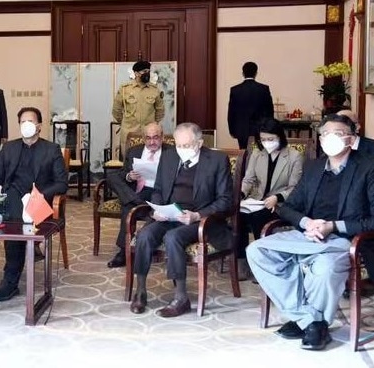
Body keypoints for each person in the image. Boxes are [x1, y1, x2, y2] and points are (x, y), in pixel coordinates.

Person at [246, 114, 374, 351]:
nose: (329, 139)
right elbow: (289, 207)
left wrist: (333, 226)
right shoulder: (314, 167)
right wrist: (307, 223)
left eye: (337, 133)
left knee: (324, 269)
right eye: (325, 134)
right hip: (308, 235)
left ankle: (311, 324)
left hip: (345, 239)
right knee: (256, 250)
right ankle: (311, 320)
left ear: (350, 137)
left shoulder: (369, 167)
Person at [130, 123, 232, 317]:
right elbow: (159, 190)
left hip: (200, 218)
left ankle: (181, 297)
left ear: (200, 142)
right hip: (170, 214)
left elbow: (226, 201)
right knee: (144, 235)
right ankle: (141, 290)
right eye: (178, 145)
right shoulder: (169, 157)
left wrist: (197, 215)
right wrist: (157, 209)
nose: (181, 150)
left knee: (172, 238)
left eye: (187, 146)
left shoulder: (217, 160)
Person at [0, 107, 68, 302]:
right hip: (13, 197)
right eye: (22, 122)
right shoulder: (9, 148)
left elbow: (62, 183)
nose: (26, 125)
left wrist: (39, 194)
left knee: (15, 220)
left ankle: (10, 278)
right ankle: (10, 280)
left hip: (39, 200)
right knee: (13, 215)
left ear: (39, 126)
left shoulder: (51, 150)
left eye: (30, 121)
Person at [237, 118, 304, 280]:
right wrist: (240, 195)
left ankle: (262, 264)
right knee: (237, 216)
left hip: (281, 204)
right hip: (257, 201)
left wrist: (277, 197)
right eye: (264, 139)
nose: (267, 143)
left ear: (279, 137)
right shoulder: (257, 154)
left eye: (271, 139)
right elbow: (248, 180)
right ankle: (242, 263)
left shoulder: (294, 156)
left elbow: (296, 187)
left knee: (259, 218)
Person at [105, 123, 166, 268]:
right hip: (137, 191)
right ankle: (134, 201)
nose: (152, 142)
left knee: (128, 206)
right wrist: (129, 176)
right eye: (148, 138)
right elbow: (123, 173)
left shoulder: (171, 152)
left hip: (159, 193)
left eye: (156, 137)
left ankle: (123, 251)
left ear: (162, 137)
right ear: (143, 138)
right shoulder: (134, 151)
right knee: (112, 176)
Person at [112, 60, 165, 159]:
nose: (147, 74)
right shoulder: (125, 89)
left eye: (148, 71)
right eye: (144, 71)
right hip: (129, 132)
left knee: (150, 160)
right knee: (128, 161)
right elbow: (116, 110)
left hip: (149, 134)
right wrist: (124, 123)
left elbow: (160, 111)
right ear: (136, 73)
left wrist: (152, 124)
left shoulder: (154, 90)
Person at [227, 61, 274, 149]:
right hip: (260, 130)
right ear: (256, 73)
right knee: (260, 156)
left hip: (241, 129)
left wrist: (232, 131)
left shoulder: (235, 90)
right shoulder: (264, 89)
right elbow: (269, 111)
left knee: (244, 155)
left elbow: (231, 112)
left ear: (243, 73)